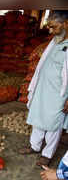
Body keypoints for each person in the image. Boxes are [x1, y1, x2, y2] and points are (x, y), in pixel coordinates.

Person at [19, 10, 68, 166]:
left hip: (59, 93)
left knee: (54, 124)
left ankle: (47, 154)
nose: (51, 31)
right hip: (43, 89)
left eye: (54, 27)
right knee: (38, 118)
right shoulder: (55, 41)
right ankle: (35, 146)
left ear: (66, 24)